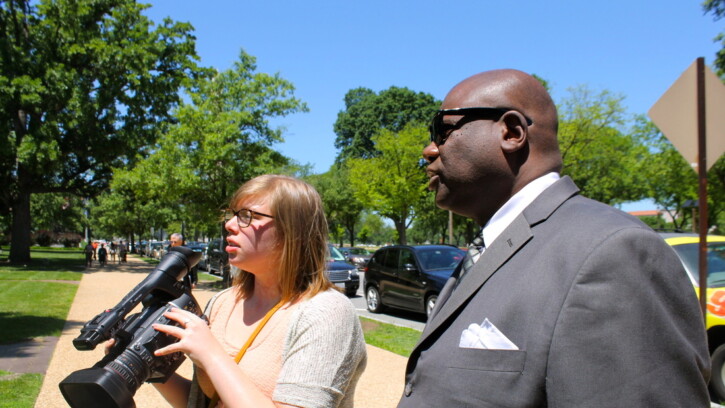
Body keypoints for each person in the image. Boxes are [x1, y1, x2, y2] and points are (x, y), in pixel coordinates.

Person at [398, 69, 711, 407]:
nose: (430, 150)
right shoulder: (489, 250)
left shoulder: (613, 253)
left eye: (443, 131)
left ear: (512, 132)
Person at [152, 175, 367, 407]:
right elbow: (207, 402)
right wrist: (150, 368)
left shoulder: (326, 313)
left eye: (247, 216)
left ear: (291, 231)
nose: (229, 225)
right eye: (232, 214)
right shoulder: (223, 303)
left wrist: (210, 354)